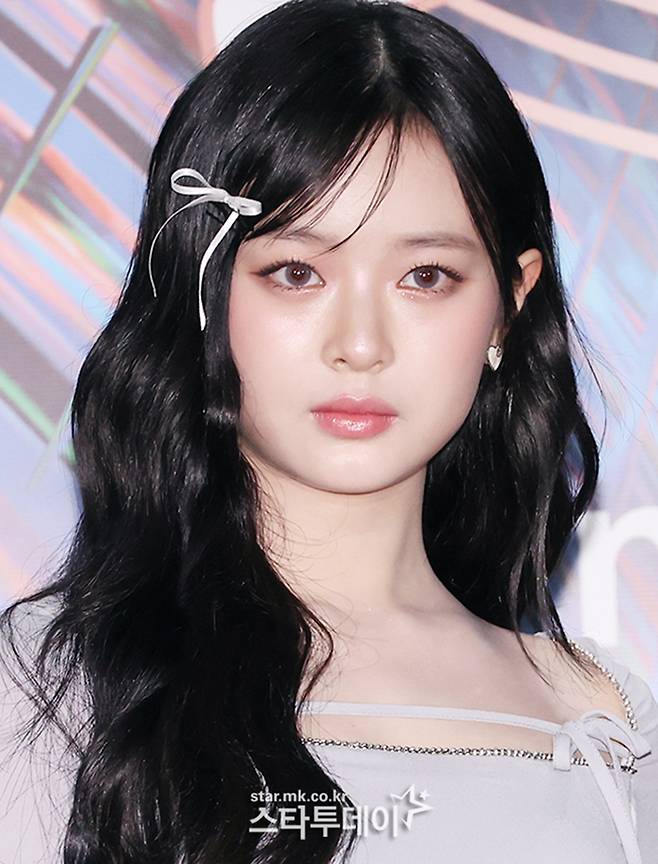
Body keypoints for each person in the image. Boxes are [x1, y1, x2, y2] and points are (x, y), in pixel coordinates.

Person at [1, 0, 656, 862]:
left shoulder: (608, 727)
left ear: (509, 303)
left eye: (426, 276)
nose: (360, 344)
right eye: (296, 272)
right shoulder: (49, 690)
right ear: (204, 287)